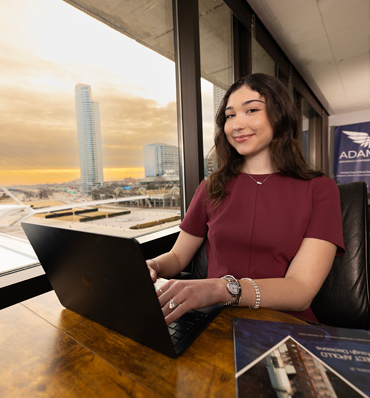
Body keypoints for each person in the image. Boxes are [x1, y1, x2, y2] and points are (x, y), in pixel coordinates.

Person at [147, 73, 345, 326]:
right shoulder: (211, 187)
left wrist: (222, 289)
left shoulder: (320, 190)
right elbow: (177, 258)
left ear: (280, 115)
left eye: (251, 110)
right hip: (215, 320)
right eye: (230, 115)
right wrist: (152, 264)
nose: (236, 124)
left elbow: (301, 291)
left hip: (283, 323)